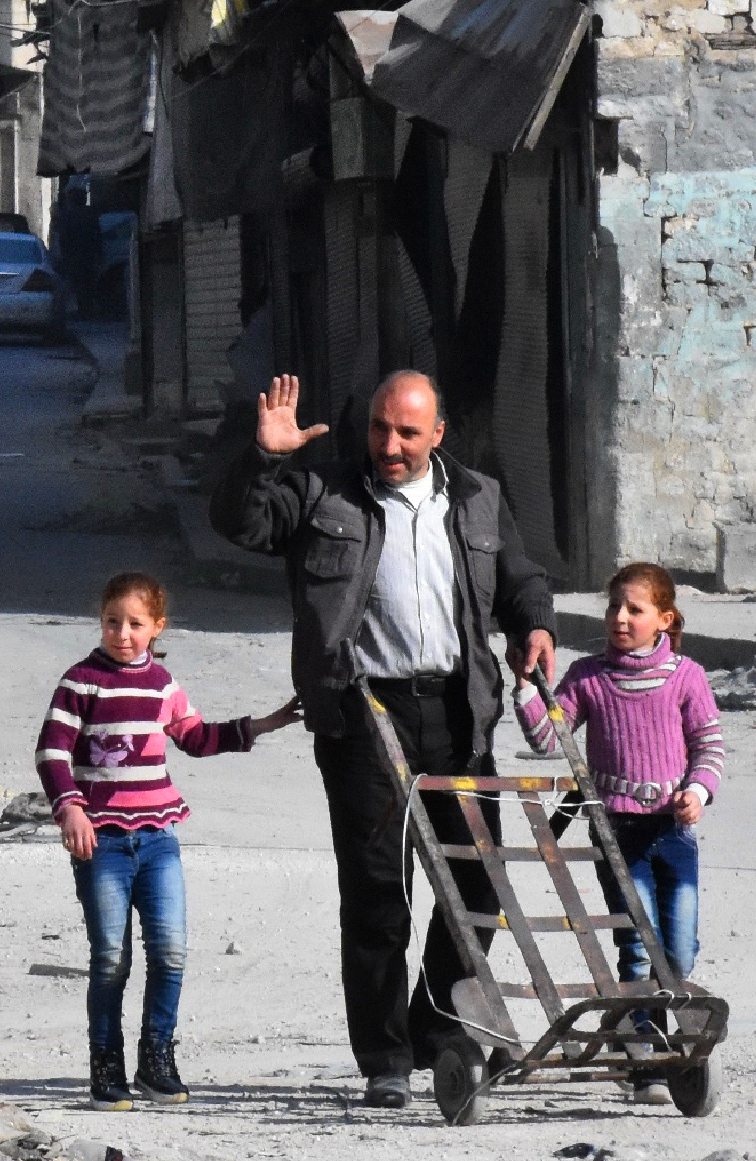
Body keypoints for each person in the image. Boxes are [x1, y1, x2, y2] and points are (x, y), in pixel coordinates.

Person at [211, 371, 556, 1110]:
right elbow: (242, 524)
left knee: (477, 885)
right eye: (378, 428)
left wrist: (534, 622)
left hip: (458, 713)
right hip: (363, 712)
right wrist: (261, 457)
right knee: (377, 892)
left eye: (405, 432)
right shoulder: (322, 492)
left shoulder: (477, 496)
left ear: (437, 435)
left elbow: (520, 578)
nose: (388, 445)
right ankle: (385, 1059)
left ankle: (433, 1032)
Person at [34, 571, 301, 1111]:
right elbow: (52, 751)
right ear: (101, 621)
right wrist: (71, 811)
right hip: (102, 844)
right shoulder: (81, 682)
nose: (123, 634)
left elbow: (198, 738)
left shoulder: (163, 686)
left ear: (157, 626)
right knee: (110, 958)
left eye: (135, 624)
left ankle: (157, 1059)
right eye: (113, 622)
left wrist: (269, 722)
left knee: (171, 952)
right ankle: (105, 1067)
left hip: (158, 839)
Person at [517, 562, 723, 1102]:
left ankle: (665, 1031)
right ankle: (644, 1061)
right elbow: (546, 736)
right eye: (613, 607)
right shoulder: (590, 677)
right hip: (616, 833)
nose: (620, 618)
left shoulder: (687, 676)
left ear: (665, 618)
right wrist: (526, 686)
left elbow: (710, 747)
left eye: (634, 609)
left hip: (674, 833)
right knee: (636, 943)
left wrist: (697, 793)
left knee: (677, 949)